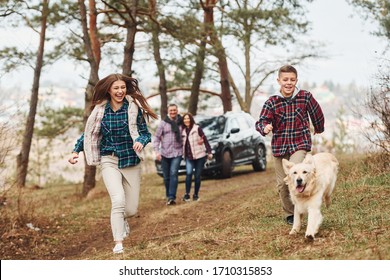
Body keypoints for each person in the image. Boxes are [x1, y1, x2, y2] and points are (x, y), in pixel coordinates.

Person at [68, 73, 158, 254]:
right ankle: (118, 243)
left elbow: (146, 133)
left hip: (131, 159)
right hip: (108, 159)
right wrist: (76, 151)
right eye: (116, 88)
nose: (120, 91)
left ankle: (122, 219)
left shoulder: (133, 108)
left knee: (131, 209)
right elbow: (89, 134)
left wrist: (141, 140)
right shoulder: (101, 111)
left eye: (122, 87)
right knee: (118, 200)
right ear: (108, 90)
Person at [255, 65, 325, 225]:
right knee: (282, 184)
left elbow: (316, 111)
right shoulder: (272, 101)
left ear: (296, 80)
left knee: (296, 173)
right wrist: (265, 128)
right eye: (285, 79)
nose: (289, 83)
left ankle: (304, 208)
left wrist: (319, 127)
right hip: (279, 147)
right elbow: (262, 120)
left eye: (292, 80)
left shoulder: (304, 97)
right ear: (279, 81)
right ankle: (290, 214)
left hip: (299, 143)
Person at [153, 104, 183, 205]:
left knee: (174, 173)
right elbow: (157, 138)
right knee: (166, 177)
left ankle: (172, 197)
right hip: (165, 153)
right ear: (168, 111)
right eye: (171, 110)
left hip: (177, 152)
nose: (173, 112)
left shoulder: (181, 122)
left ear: (177, 110)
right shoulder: (163, 123)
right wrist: (157, 152)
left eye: (174, 110)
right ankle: (168, 196)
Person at [181, 113, 212, 202]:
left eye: (188, 118)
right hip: (189, 157)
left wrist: (209, 151)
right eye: (185, 119)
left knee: (197, 176)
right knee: (189, 174)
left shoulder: (197, 128)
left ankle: (195, 195)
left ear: (191, 119)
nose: (186, 120)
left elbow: (205, 140)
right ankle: (187, 194)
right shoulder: (182, 131)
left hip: (199, 156)